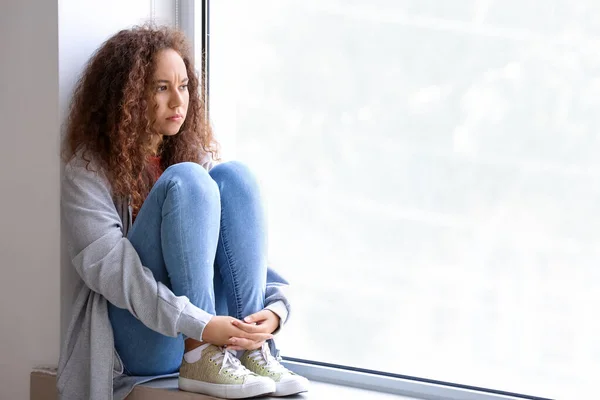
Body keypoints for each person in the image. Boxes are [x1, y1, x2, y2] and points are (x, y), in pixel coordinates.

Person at [58, 25, 309, 400]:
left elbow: (242, 262)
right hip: (141, 341)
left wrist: (274, 312)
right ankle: (201, 356)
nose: (179, 101)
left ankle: (252, 352)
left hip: (212, 330)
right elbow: (115, 275)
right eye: (161, 87)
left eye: (184, 86)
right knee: (188, 179)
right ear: (127, 95)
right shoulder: (88, 170)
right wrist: (201, 325)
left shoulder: (195, 157)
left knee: (235, 177)